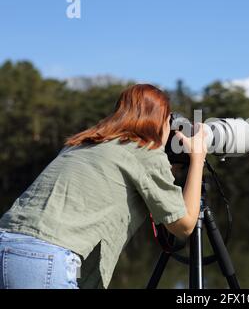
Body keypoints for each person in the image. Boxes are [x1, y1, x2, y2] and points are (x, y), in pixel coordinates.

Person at [0, 84, 207, 289]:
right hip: (43, 259)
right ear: (158, 121)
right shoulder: (145, 151)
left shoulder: (81, 143)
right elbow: (185, 225)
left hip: (6, 244)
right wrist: (197, 159)